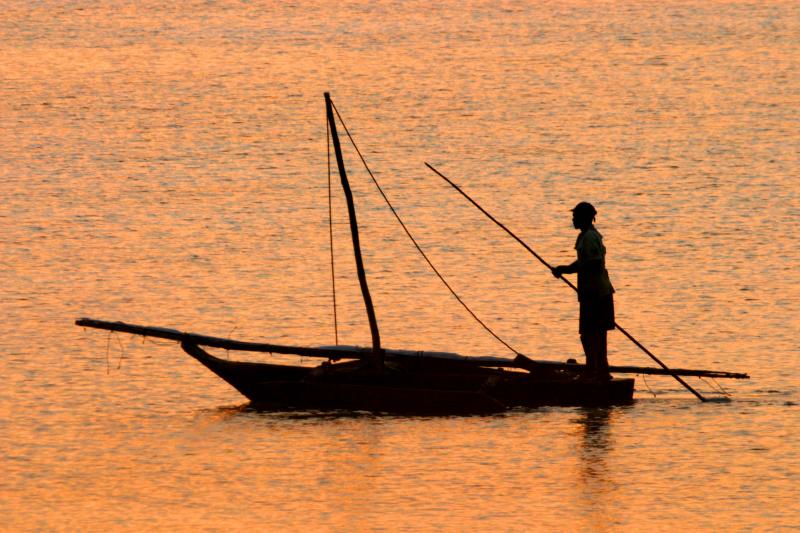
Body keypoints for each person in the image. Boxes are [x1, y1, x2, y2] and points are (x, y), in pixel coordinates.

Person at [552, 202, 615, 381]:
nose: (573, 219)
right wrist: (564, 269)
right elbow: (585, 262)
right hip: (598, 292)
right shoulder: (589, 236)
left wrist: (565, 269)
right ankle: (600, 370)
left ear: (585, 218)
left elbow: (592, 263)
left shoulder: (588, 237)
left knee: (589, 334)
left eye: (576, 216)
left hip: (595, 294)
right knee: (598, 334)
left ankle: (593, 371)